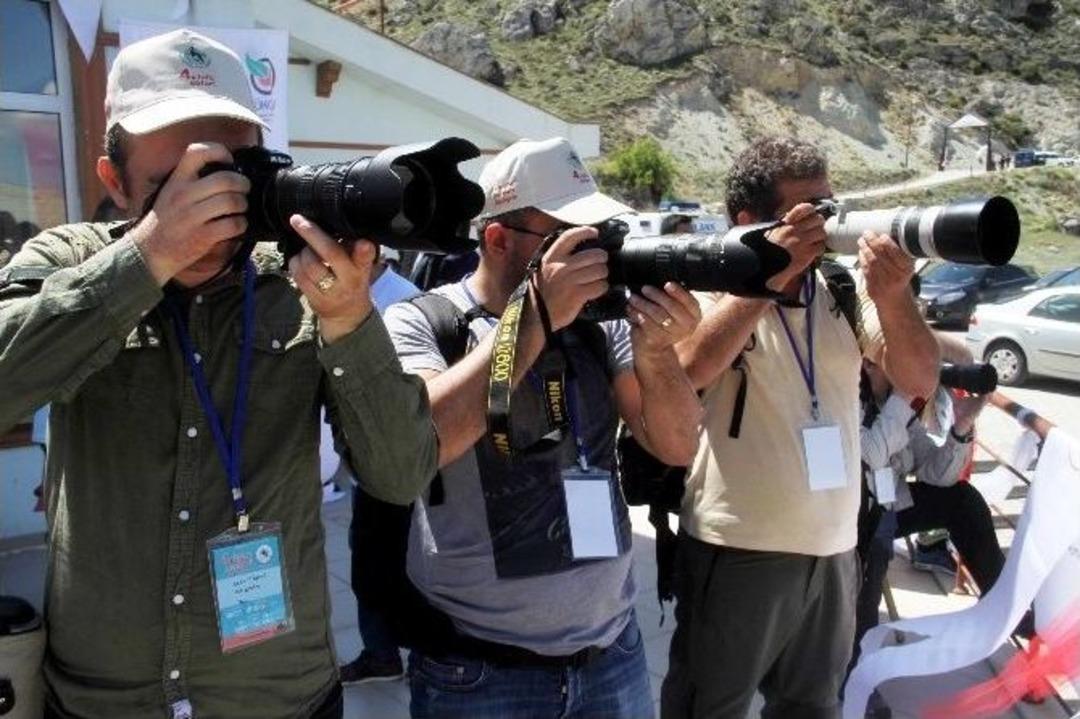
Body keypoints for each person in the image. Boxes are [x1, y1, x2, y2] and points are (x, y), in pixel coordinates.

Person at [0, 29, 437, 718]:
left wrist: (351, 322)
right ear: (112, 182)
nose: (214, 211)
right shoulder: (68, 259)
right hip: (106, 700)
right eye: (176, 185)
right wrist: (145, 258)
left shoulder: (303, 286)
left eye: (233, 175)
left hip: (276, 696)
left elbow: (401, 473)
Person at [384, 136, 704, 719]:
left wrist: (658, 351)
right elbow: (425, 441)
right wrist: (535, 317)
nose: (593, 257)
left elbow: (678, 444)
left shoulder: (600, 324)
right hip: (479, 670)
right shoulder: (422, 320)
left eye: (598, 237)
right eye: (568, 241)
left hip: (612, 653)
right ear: (499, 240)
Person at [663, 136, 940, 719]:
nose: (825, 223)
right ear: (750, 220)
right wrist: (767, 276)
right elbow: (689, 370)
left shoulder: (840, 288)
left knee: (812, 707)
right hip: (738, 545)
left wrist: (894, 296)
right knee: (710, 705)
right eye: (808, 210)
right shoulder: (709, 281)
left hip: (835, 548)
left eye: (829, 205)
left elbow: (918, 379)